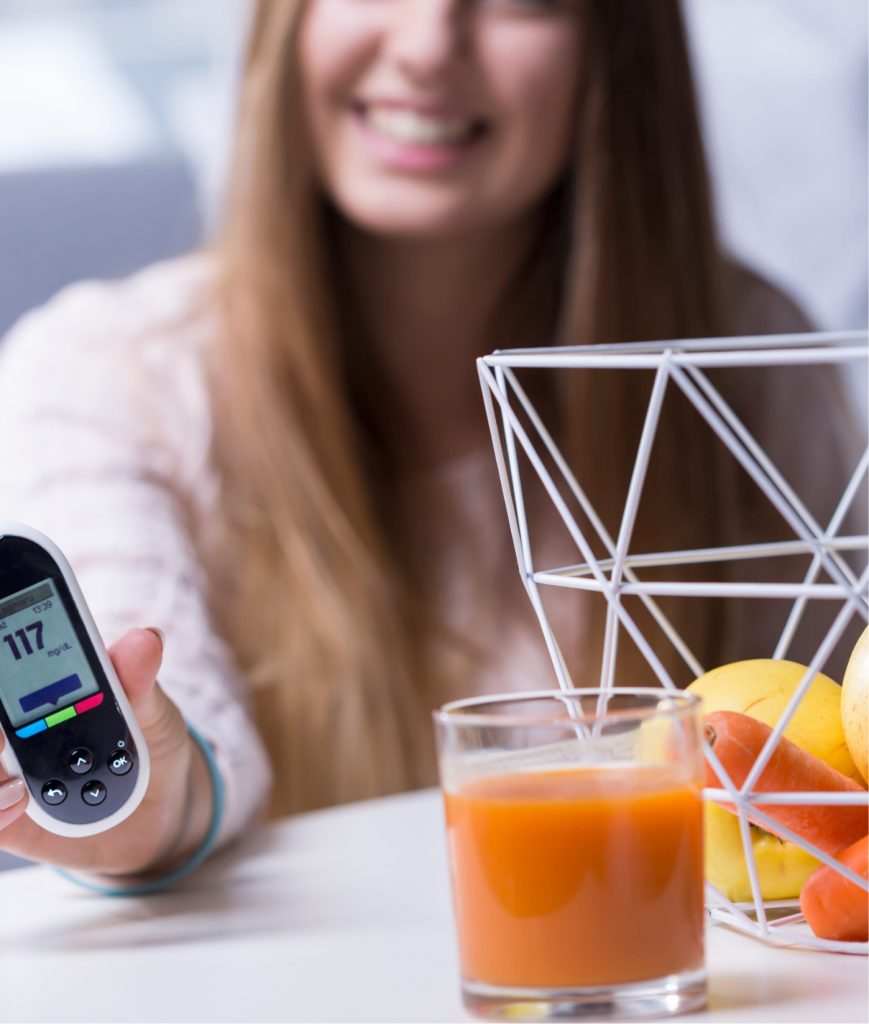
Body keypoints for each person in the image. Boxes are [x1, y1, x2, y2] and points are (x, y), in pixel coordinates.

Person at [0, 0, 859, 887]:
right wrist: (152, 797)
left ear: (619, 49)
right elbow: (163, 690)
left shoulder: (745, 360)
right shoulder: (102, 370)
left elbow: (838, 761)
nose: (425, 48)